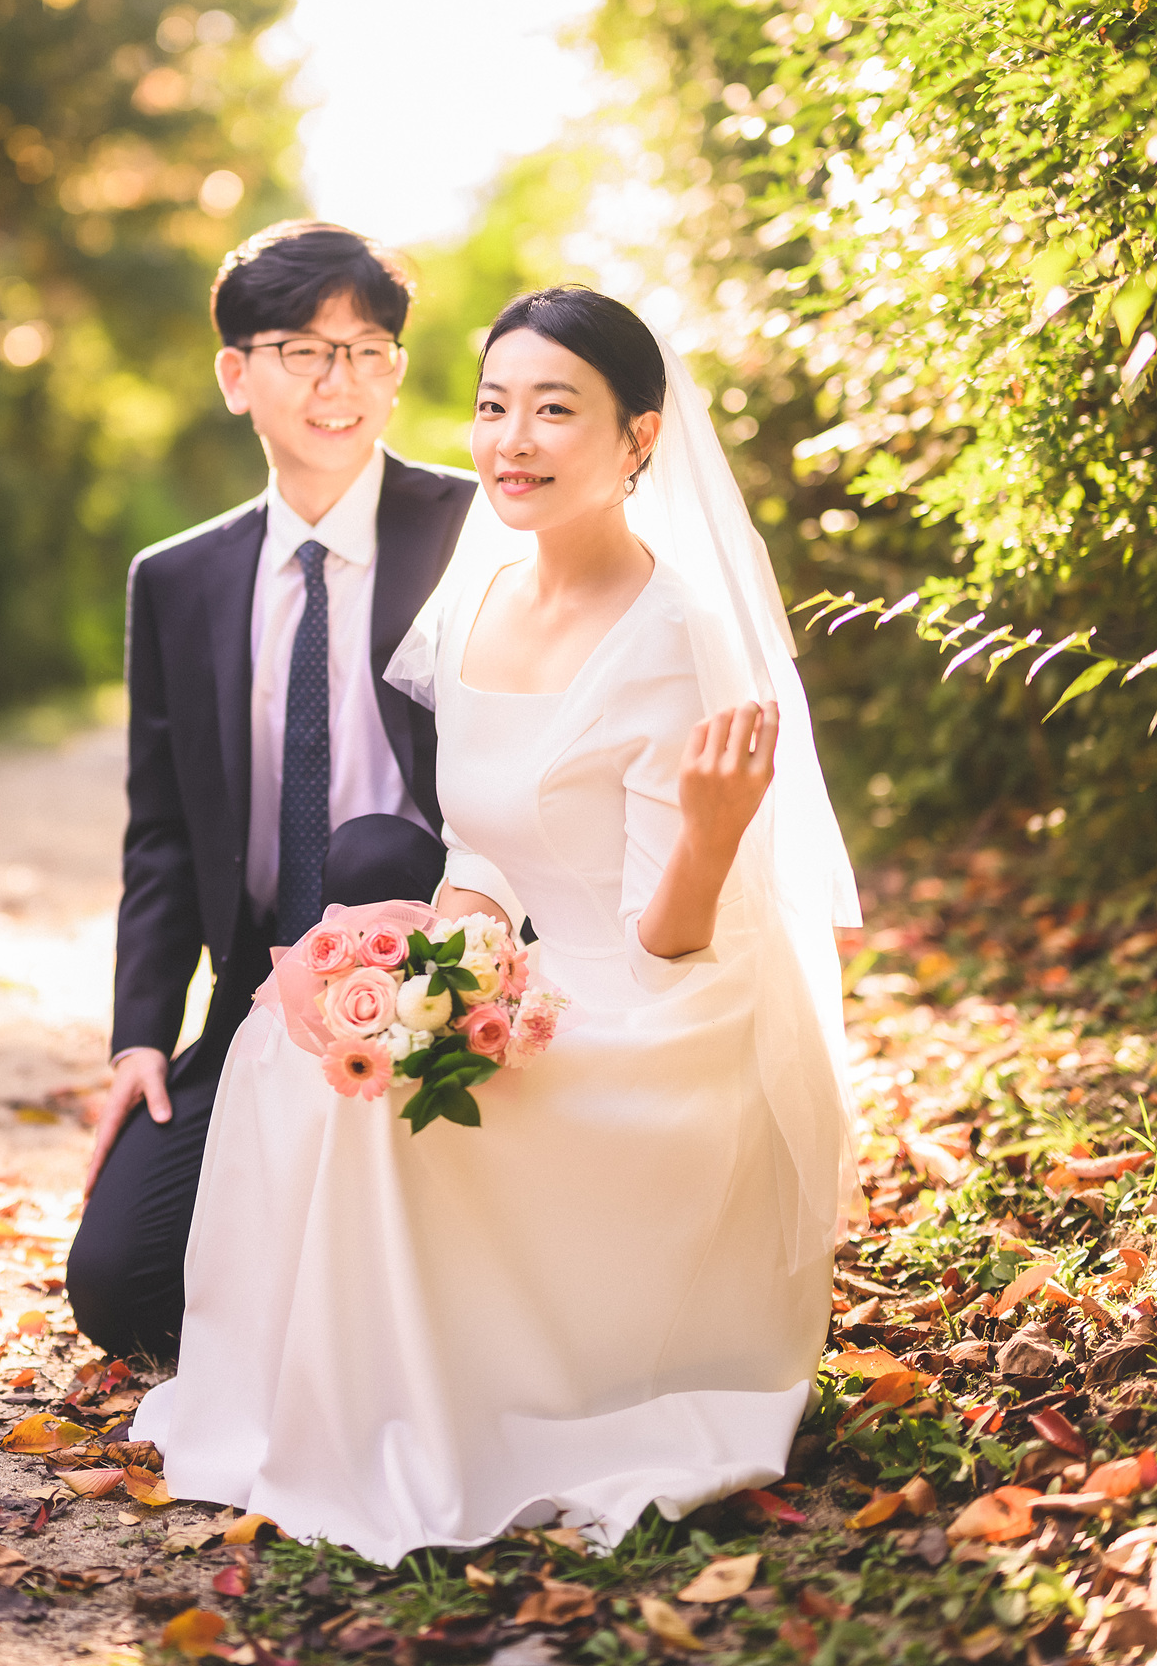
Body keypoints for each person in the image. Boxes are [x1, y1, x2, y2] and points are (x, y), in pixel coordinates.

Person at [130, 284, 861, 1563]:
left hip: (658, 1017)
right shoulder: (477, 596)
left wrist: (708, 832)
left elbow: (666, 944)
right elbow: (479, 852)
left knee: (400, 1113)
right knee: (310, 1048)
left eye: (555, 411)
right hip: (533, 973)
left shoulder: (678, 636)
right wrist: (430, 967)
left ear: (637, 438)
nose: (512, 440)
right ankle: (330, 1401)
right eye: (492, 406)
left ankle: (424, 1419)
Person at [66, 221, 477, 1357]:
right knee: (118, 1290)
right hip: (259, 983)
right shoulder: (178, 579)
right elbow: (160, 835)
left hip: (434, 963)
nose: (339, 381)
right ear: (236, 376)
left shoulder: (474, 533)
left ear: (395, 370)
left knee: (375, 848)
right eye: (303, 350)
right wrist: (140, 1038)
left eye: (367, 350)